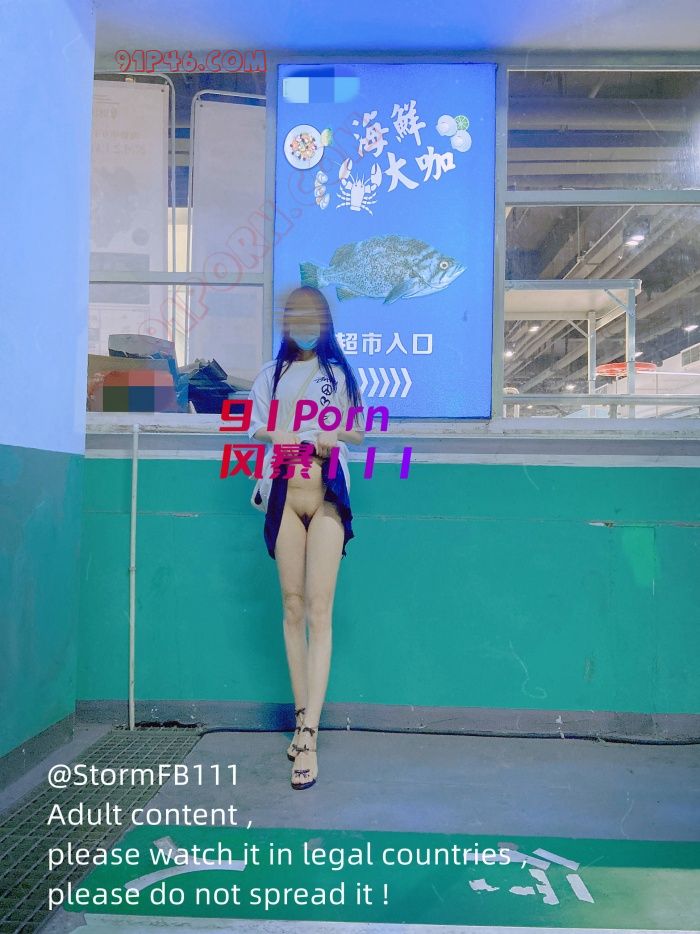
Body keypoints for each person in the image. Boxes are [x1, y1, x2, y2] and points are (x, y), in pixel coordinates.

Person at [247, 286, 365, 790]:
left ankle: (311, 736)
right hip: (284, 495)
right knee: (293, 609)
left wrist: (333, 435)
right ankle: (300, 719)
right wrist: (277, 434)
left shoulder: (339, 375)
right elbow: (255, 427)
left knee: (320, 611)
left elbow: (359, 429)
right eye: (296, 316)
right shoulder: (269, 376)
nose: (304, 325)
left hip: (326, 495)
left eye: (313, 316)